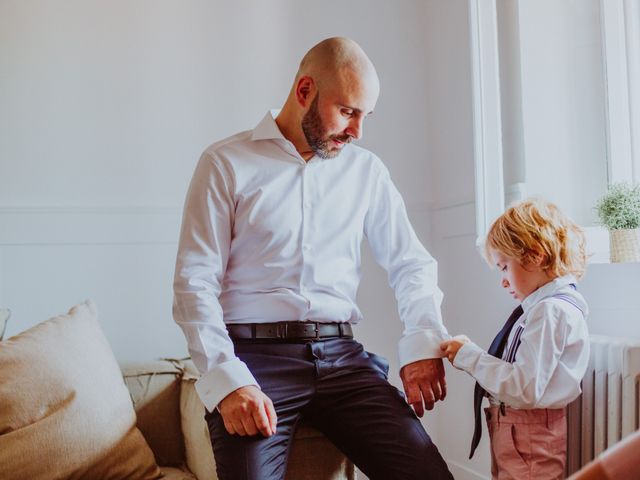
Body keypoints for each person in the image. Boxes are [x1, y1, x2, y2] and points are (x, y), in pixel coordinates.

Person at [173, 36, 453, 480]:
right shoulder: (225, 163)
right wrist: (229, 381)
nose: (357, 131)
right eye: (347, 112)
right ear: (305, 91)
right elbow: (195, 282)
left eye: (365, 116)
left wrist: (422, 341)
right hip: (255, 360)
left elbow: (411, 263)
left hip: (343, 359)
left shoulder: (367, 172)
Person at [440, 198, 590, 480]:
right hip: (519, 427)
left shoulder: (550, 312)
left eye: (504, 266)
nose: (504, 280)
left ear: (535, 256)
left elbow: (524, 387)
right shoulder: (540, 309)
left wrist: (470, 356)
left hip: (529, 431)